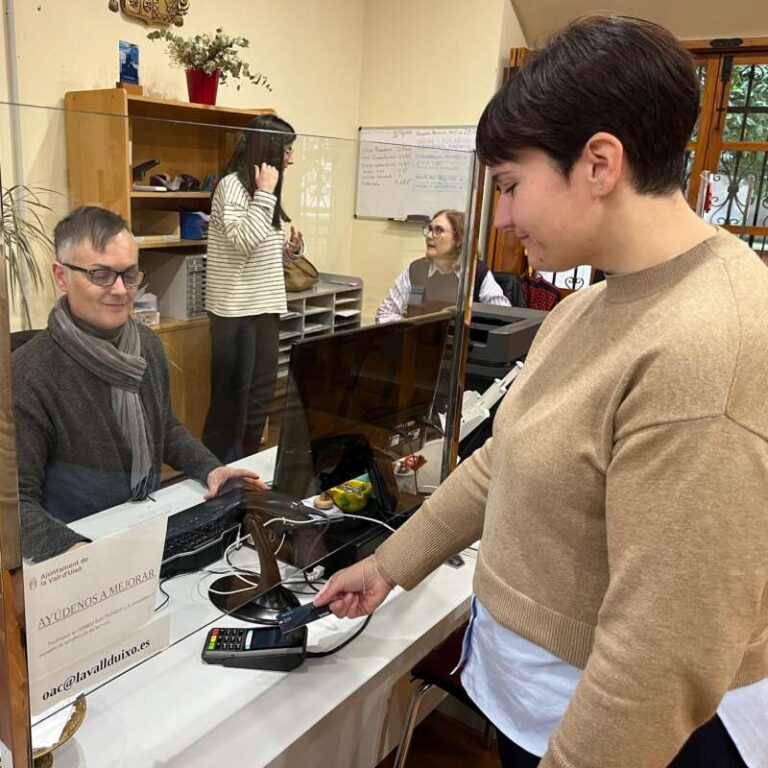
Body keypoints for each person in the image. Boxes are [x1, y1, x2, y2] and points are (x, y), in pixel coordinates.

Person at [314, 15, 768, 768]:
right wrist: (389, 564)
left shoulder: (710, 342)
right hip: (534, 701)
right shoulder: (587, 308)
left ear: (599, 164)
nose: (502, 216)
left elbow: (662, 650)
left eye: (510, 186)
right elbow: (505, 460)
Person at [12, 206, 265, 562]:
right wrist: (78, 553)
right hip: (76, 542)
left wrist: (211, 468)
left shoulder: (146, 344)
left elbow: (165, 428)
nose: (120, 290)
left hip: (145, 521)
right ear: (61, 276)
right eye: (101, 274)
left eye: (129, 274)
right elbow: (16, 502)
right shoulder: (28, 373)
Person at [203, 114, 303, 462]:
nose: (290, 159)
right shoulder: (232, 186)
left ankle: (248, 462)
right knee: (232, 401)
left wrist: (290, 251)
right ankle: (219, 467)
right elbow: (242, 242)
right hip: (234, 309)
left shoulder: (264, 193)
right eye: (287, 150)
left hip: (265, 305)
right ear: (270, 149)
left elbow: (259, 251)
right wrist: (264, 194)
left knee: (260, 395)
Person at [375, 209, 510, 323]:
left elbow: (504, 317)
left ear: (459, 239)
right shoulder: (417, 270)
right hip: (420, 342)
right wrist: (410, 329)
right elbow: (385, 313)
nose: (429, 236)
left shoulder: (476, 272)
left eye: (438, 230)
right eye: (429, 229)